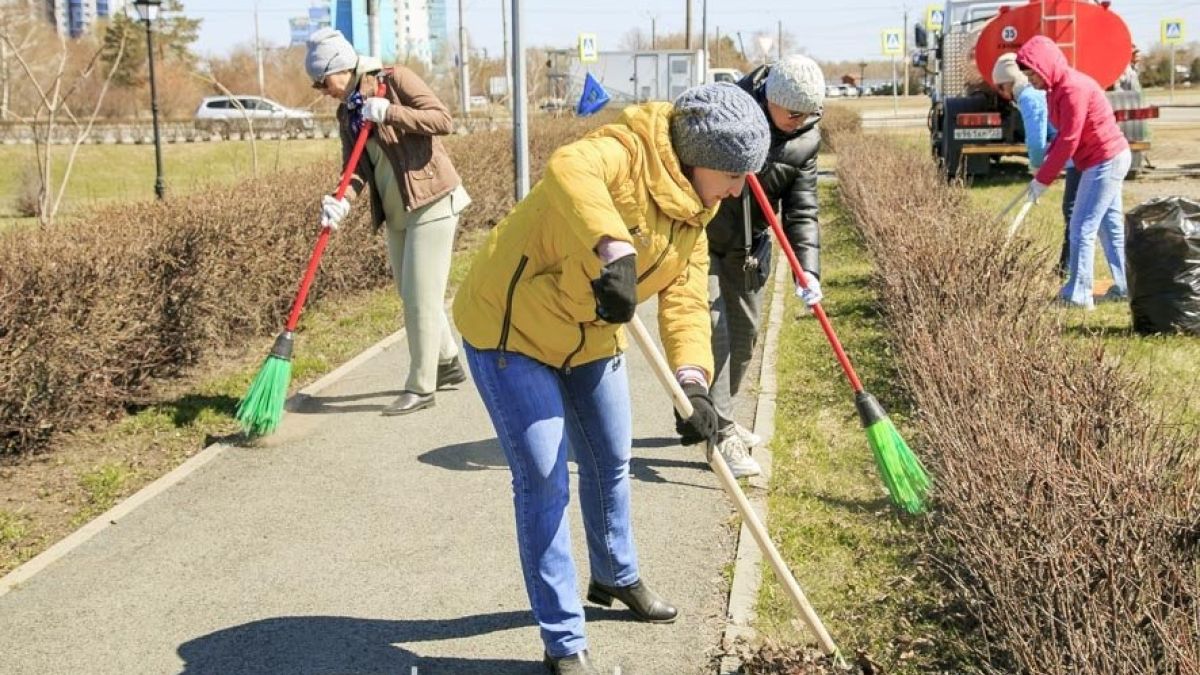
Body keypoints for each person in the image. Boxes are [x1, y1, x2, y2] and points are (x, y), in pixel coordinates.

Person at [451, 84, 770, 674]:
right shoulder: (627, 150)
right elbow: (568, 165)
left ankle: (615, 575)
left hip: (591, 335)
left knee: (609, 457)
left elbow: (684, 302)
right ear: (700, 157)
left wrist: (694, 382)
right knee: (545, 478)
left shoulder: (697, 213)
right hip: (511, 331)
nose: (739, 188)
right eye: (733, 174)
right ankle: (564, 639)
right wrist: (614, 247)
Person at [306, 28, 471, 415]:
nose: (322, 89)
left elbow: (442, 119)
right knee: (411, 294)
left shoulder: (394, 80)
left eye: (323, 79)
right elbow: (356, 167)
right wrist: (341, 200)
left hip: (432, 201)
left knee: (420, 298)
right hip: (397, 213)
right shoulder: (346, 110)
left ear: (342, 67)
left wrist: (390, 112)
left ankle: (421, 386)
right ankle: (447, 363)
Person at [682, 54, 826, 477]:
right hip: (701, 237)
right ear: (768, 98)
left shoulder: (805, 138)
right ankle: (721, 432)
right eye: (793, 113)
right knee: (719, 331)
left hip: (749, 250)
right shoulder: (729, 109)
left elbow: (802, 210)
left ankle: (715, 414)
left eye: (809, 114)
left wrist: (808, 269)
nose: (799, 121)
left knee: (745, 337)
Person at [1018, 36, 1130, 309]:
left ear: (1045, 66)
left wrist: (1044, 179)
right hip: (1102, 159)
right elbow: (1061, 137)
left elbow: (1070, 139)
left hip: (1105, 160)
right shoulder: (1054, 89)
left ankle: (1079, 295)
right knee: (1109, 226)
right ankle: (1126, 286)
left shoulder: (1072, 88)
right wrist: (1044, 164)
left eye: (1032, 73)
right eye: (1027, 74)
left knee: (1082, 226)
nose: (1030, 79)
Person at [991, 52, 1080, 277]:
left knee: (1073, 211)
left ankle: (1067, 268)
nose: (1002, 95)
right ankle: (1067, 267)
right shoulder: (1031, 93)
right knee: (1078, 212)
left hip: (1078, 155)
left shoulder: (1028, 97)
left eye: (1000, 89)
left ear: (1008, 83)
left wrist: (1037, 167)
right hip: (1072, 153)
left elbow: (1036, 138)